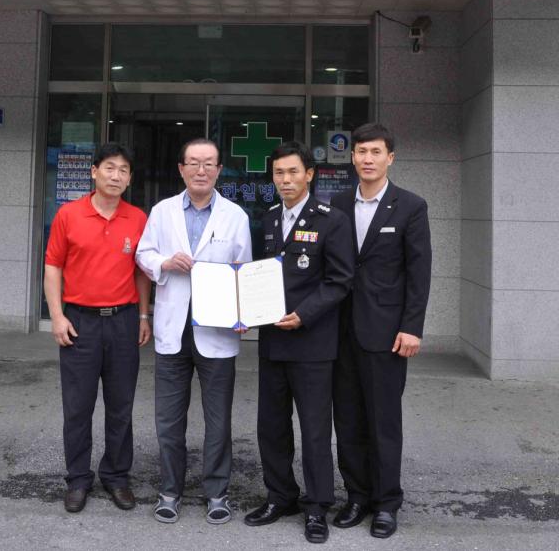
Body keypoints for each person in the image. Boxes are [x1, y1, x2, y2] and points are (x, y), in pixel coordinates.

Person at [136, 138, 252, 526]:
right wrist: (165, 262)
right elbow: (143, 254)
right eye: (193, 163)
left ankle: (217, 492)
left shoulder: (235, 215)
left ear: (219, 170)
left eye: (209, 163)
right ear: (181, 168)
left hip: (217, 330)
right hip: (173, 329)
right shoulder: (162, 211)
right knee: (169, 420)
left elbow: (244, 271)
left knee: (218, 421)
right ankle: (170, 490)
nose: (201, 170)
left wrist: (245, 312)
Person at [245, 141, 354, 544]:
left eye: (293, 172)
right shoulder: (269, 218)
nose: (285, 180)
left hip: (313, 343)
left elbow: (340, 280)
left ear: (309, 174)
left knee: (314, 430)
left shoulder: (332, 220)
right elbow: (259, 275)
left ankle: (317, 506)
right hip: (273, 341)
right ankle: (280, 496)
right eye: (279, 173)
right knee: (271, 427)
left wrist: (304, 314)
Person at [330, 123, 431, 539]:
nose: (367, 159)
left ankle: (387, 502)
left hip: (387, 333)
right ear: (352, 157)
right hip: (340, 332)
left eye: (375, 152)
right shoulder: (337, 203)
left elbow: (419, 272)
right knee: (348, 419)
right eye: (361, 151)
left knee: (383, 421)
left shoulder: (410, 206)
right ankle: (357, 496)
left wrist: (412, 327)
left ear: (390, 158)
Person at [44, 142, 151, 515]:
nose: (115, 175)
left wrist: (143, 316)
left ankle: (117, 476)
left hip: (123, 321)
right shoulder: (69, 214)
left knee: (121, 406)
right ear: (94, 172)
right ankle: (77, 479)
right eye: (109, 167)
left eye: (123, 170)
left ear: (129, 178)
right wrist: (56, 316)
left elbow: (142, 271)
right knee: (77, 407)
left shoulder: (138, 219)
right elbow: (53, 266)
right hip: (80, 322)